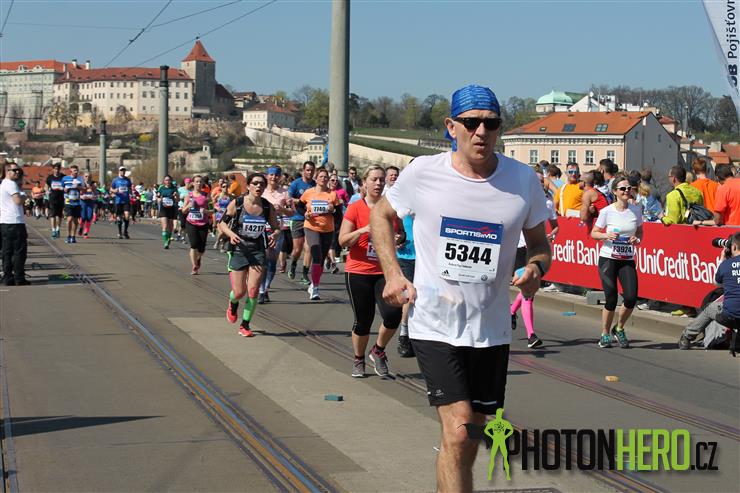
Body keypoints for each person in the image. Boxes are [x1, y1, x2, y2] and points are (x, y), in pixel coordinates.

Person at [370, 84, 551, 492]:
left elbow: (540, 245)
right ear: (451, 127)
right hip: (435, 322)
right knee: (458, 428)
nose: (481, 131)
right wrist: (394, 274)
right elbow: (380, 215)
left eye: (491, 123)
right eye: (471, 123)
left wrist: (536, 268)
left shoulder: (522, 180)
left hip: (490, 329)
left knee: (468, 437)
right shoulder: (424, 172)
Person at [339, 165, 403, 377]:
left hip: (384, 271)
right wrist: (363, 230)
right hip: (358, 271)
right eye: (374, 179)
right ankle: (358, 359)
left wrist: (397, 239)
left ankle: (378, 350)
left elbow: (401, 234)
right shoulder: (355, 208)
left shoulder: (390, 208)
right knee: (363, 320)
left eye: (381, 180)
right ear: (364, 183)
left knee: (393, 315)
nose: (378, 183)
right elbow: (342, 241)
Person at [218, 173, 280, 337]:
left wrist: (274, 235)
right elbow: (222, 222)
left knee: (253, 290)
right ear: (248, 186)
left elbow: (276, 228)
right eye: (255, 183)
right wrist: (231, 234)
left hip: (257, 250)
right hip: (239, 249)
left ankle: (245, 325)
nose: (259, 186)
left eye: (262, 184)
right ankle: (233, 303)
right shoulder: (237, 203)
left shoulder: (266, 206)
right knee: (239, 292)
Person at [590, 175, 643, 348]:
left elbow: (640, 232)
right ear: (615, 192)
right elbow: (594, 233)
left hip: (627, 259)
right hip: (608, 259)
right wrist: (606, 235)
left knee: (631, 298)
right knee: (611, 299)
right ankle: (605, 333)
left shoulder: (636, 210)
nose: (626, 191)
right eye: (622, 189)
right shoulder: (607, 211)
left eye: (628, 188)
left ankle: (619, 328)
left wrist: (636, 239)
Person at [301, 167, 341, 300]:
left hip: (327, 230)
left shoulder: (332, 194)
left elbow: (339, 214)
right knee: (316, 256)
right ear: (316, 178)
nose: (323, 179)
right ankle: (316, 289)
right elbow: (300, 206)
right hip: (311, 227)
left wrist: (332, 210)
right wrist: (305, 214)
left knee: (321, 259)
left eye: (326, 177)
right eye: (321, 176)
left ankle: (314, 283)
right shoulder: (308, 193)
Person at [260, 166, 294, 303]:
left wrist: (282, 209)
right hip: (261, 229)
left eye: (276, 175)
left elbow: (292, 212)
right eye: (271, 175)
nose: (273, 177)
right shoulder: (261, 191)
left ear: (280, 177)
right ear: (267, 176)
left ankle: (266, 287)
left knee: (272, 262)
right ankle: (261, 290)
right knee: (263, 260)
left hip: (277, 230)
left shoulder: (285, 193)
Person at [0, 163, 29, 285]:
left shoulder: (3, 184)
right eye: (15, 170)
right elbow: (17, 201)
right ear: (7, 171)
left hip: (5, 222)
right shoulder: (11, 184)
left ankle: (8, 277)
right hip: (15, 221)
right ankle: (19, 277)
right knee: (19, 251)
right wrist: (24, 196)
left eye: (18, 170)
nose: (17, 172)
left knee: (7, 251)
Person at [287, 161, 316, 284]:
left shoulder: (315, 185)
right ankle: (293, 264)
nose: (310, 172)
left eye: (312, 170)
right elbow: (289, 198)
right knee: (297, 249)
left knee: (309, 248)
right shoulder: (296, 184)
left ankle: (305, 274)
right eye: (308, 170)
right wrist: (301, 201)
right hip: (297, 218)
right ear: (303, 170)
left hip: (311, 219)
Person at [181, 175, 211, 275]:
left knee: (201, 248)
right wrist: (188, 206)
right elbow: (183, 211)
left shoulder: (206, 195)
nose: (198, 183)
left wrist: (206, 211)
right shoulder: (189, 196)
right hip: (191, 223)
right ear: (193, 183)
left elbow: (213, 211)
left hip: (203, 223)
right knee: (194, 244)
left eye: (200, 181)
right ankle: (194, 266)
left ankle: (198, 258)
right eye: (197, 181)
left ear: (202, 183)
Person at [327, 173, 349, 273]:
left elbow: (348, 203)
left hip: (338, 218)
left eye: (336, 180)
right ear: (328, 181)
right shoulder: (325, 191)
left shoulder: (342, 191)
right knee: (330, 241)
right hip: (326, 219)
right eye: (332, 180)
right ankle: (333, 263)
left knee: (336, 240)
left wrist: (342, 202)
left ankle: (331, 258)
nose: (334, 182)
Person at [61, 165, 84, 244]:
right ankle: (68, 236)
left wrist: (78, 187)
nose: (76, 172)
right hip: (68, 202)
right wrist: (64, 189)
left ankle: (73, 236)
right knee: (69, 219)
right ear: (70, 171)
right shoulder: (65, 178)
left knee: (75, 221)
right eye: (74, 170)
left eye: (77, 170)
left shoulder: (80, 179)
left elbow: (83, 189)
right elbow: (62, 188)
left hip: (77, 202)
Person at [157, 175, 179, 249]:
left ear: (171, 181)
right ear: (164, 181)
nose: (168, 181)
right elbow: (158, 197)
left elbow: (177, 200)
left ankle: (168, 238)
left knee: (170, 227)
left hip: (171, 208)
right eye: (166, 180)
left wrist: (176, 195)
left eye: (169, 180)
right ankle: (165, 242)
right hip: (163, 208)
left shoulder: (174, 188)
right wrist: (159, 199)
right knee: (165, 226)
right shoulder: (161, 188)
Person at [111, 166, 133, 239]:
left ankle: (125, 231)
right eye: (121, 170)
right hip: (118, 201)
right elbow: (111, 189)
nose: (123, 172)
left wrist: (131, 193)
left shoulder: (128, 180)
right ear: (119, 171)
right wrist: (114, 191)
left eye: (124, 171)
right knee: (119, 218)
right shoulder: (115, 180)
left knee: (127, 216)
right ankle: (120, 232)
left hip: (126, 200)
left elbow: (130, 188)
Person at [45, 163, 65, 239]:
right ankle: (53, 230)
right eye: (55, 169)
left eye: (58, 169)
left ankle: (58, 229)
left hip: (61, 198)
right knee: (52, 215)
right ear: (53, 169)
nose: (57, 171)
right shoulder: (50, 177)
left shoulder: (63, 177)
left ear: (60, 169)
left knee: (59, 215)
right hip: (52, 198)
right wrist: (47, 191)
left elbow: (67, 185)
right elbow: (46, 186)